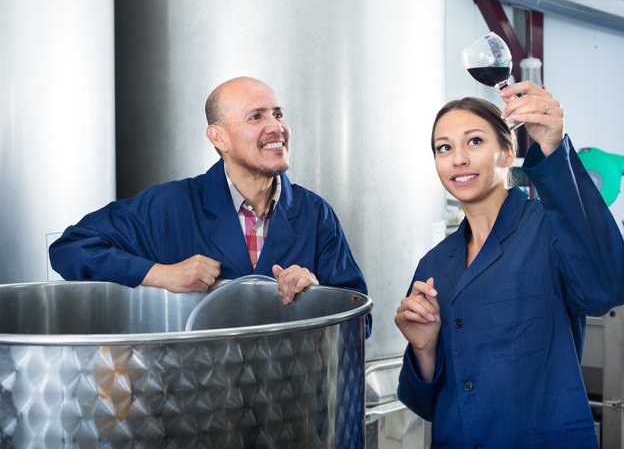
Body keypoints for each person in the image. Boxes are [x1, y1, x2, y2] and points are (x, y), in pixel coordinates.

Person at [394, 81, 624, 448]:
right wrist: (423, 350)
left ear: (507, 150)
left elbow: (606, 288)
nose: (458, 159)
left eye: (474, 141)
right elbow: (427, 405)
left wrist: (552, 148)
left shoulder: (548, 228)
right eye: (444, 148)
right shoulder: (434, 264)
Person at [50, 76, 368, 318]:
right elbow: (70, 248)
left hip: (290, 396)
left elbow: (359, 319)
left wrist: (318, 296)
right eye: (256, 117)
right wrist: (162, 274)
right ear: (219, 137)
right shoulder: (169, 207)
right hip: (196, 395)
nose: (277, 127)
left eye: (278, 114)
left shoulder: (315, 214)